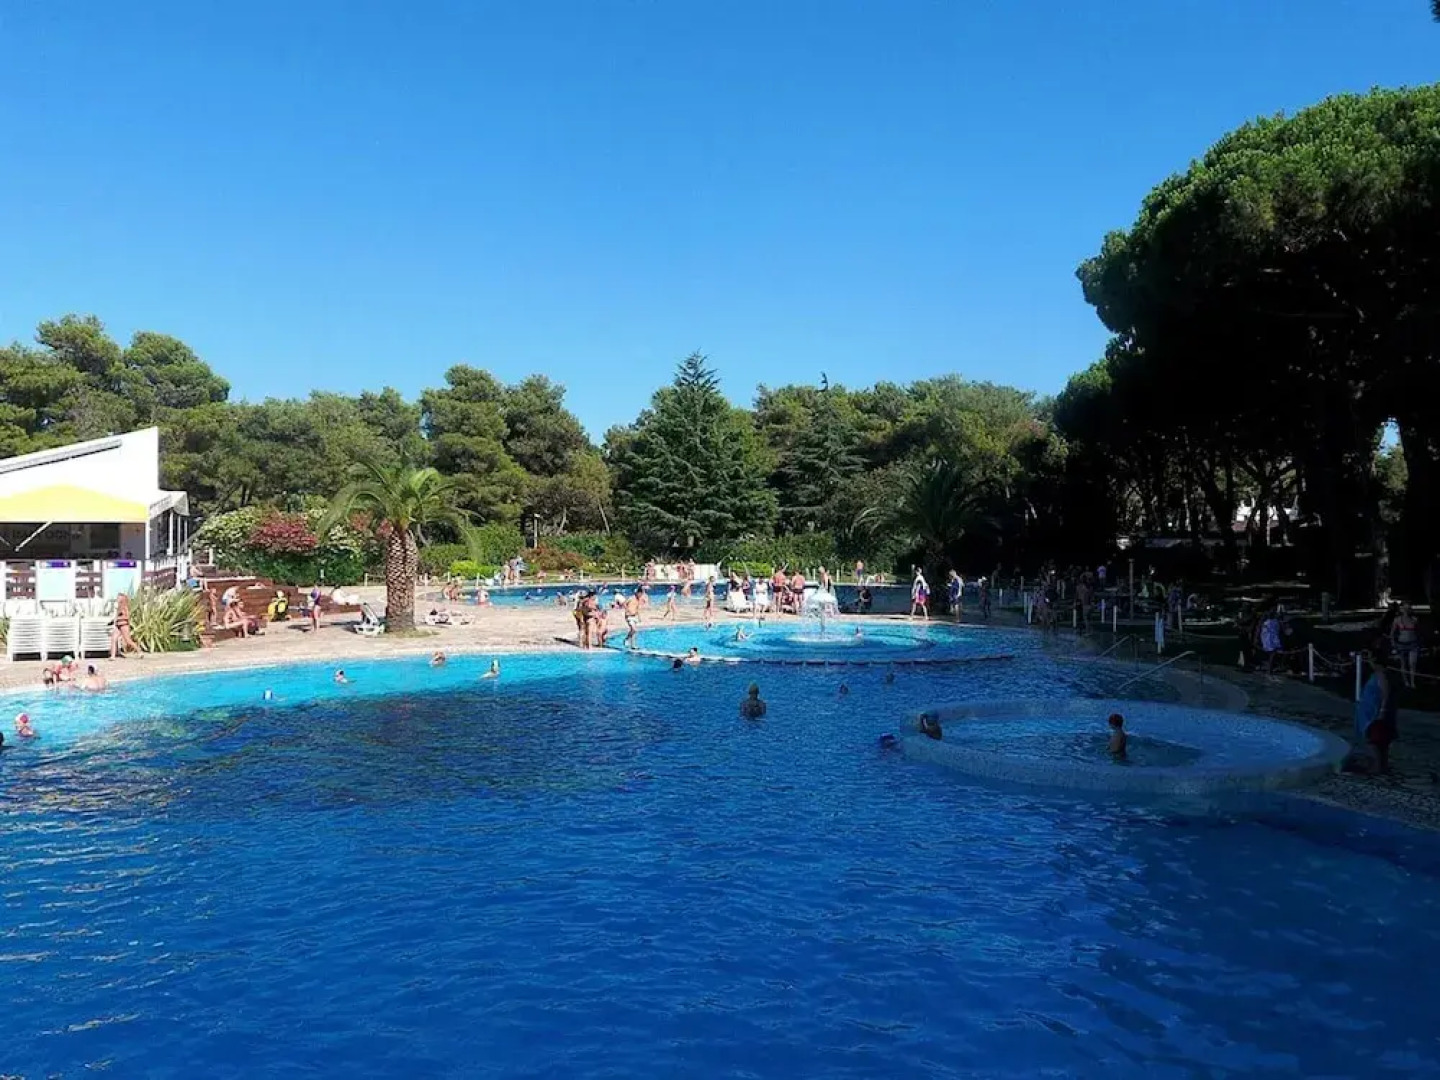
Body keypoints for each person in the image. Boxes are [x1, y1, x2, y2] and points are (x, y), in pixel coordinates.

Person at [1355, 642, 1398, 774]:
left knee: (1375, 742)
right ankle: (1380, 767)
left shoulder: (1381, 675)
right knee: (1379, 742)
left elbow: (1385, 694)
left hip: (1375, 714)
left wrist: (1382, 711)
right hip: (1372, 712)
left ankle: (1377, 768)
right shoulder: (1378, 675)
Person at [1390, 602, 1421, 690]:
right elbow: (1392, 633)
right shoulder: (1397, 620)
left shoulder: (1414, 619)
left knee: (1412, 663)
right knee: (1403, 664)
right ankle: (1406, 681)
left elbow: (1418, 632)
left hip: (1413, 643)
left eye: (1408, 608)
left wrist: (1419, 642)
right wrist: (1393, 644)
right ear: (1401, 609)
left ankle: (1412, 682)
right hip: (1401, 644)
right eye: (1404, 608)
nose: (1406, 610)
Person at [111, 591, 140, 658]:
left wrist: (120, 617)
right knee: (113, 639)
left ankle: (139, 651)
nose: (117, 599)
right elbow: (116, 616)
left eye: (118, 598)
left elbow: (127, 617)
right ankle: (113, 656)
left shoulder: (124, 607)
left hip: (124, 625)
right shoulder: (118, 608)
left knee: (128, 640)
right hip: (118, 625)